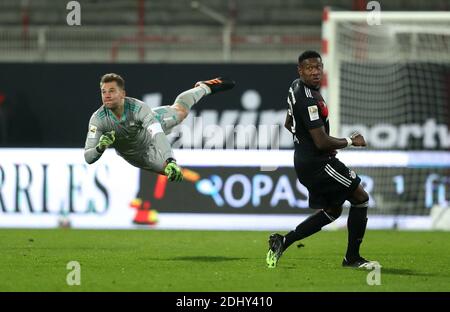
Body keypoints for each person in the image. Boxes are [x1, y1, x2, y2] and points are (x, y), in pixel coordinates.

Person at [266, 51, 376, 269]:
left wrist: (309, 143)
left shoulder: (296, 87)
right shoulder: (308, 100)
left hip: (306, 160)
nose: (315, 72)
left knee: (333, 210)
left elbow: (289, 124)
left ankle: (283, 241)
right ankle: (352, 258)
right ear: (300, 70)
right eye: (309, 68)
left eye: (318, 67)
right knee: (360, 197)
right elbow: (323, 142)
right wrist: (351, 141)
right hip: (318, 164)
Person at [84, 74, 235, 181]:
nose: (107, 95)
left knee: (180, 111)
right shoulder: (98, 120)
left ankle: (204, 87)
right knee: (172, 173)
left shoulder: (138, 108)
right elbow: (88, 157)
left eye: (111, 91)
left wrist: (170, 159)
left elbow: (157, 133)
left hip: (150, 127)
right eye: (104, 92)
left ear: (123, 94)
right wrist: (100, 147)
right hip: (138, 155)